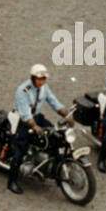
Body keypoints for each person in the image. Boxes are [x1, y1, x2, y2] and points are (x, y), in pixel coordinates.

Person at [6, 64, 68, 194]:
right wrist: (34, 126)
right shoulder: (23, 90)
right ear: (32, 78)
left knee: (54, 134)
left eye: (43, 79)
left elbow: (53, 101)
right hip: (22, 121)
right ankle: (12, 182)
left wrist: (66, 114)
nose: (41, 81)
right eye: (39, 79)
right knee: (20, 149)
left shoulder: (44, 88)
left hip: (36, 117)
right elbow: (24, 114)